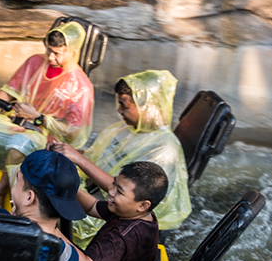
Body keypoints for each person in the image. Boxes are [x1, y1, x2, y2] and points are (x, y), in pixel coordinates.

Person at [49, 70, 191, 247]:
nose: (119, 110)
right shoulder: (127, 129)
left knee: (42, 203)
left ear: (146, 105)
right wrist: (66, 152)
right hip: (96, 194)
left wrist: (79, 159)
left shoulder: (164, 148)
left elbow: (129, 193)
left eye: (124, 105)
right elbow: (98, 155)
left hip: (115, 212)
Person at [0, 21, 94, 207]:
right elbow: (8, 92)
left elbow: (73, 132)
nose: (50, 57)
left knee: (19, 145)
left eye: (56, 53)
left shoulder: (81, 86)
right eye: (48, 50)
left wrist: (39, 118)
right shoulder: (35, 61)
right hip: (14, 121)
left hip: (46, 137)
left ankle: (0, 192)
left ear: (73, 52)